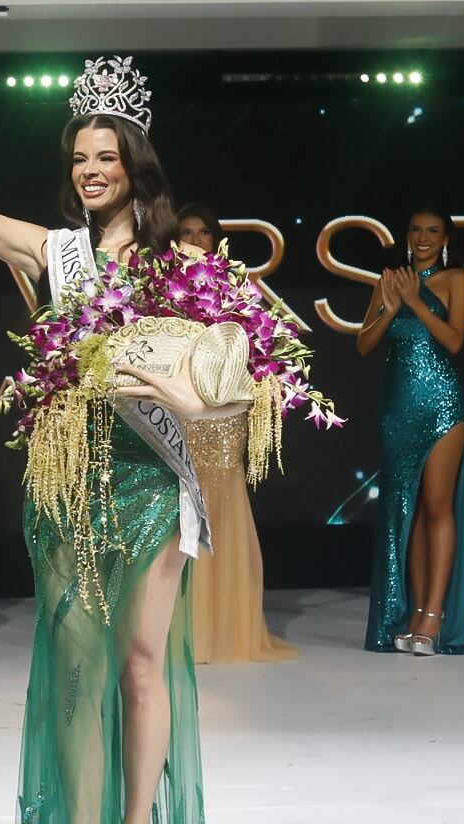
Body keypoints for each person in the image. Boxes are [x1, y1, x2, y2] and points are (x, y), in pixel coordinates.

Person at [0, 17, 319, 824]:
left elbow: (232, 391)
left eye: (105, 155)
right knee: (76, 676)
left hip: (154, 480)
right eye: (78, 156)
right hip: (70, 482)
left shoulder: (182, 268)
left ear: (135, 165)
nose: (89, 169)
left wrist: (173, 389)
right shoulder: (52, 255)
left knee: (143, 667)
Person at [173, 201, 296, 664]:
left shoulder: (237, 289)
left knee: (223, 506)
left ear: (216, 239)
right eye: (186, 231)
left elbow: (261, 348)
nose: (195, 240)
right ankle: (182, 630)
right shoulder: (163, 289)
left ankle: (225, 629)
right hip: (181, 411)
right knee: (181, 511)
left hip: (225, 414)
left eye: (204, 232)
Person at [357, 205, 464, 656]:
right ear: (406, 236)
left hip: (443, 405)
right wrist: (390, 306)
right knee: (406, 513)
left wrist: (414, 303)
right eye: (416, 230)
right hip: (395, 408)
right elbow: (364, 344)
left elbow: (455, 340)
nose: (424, 238)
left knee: (437, 508)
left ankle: (431, 616)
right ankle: (408, 616)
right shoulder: (388, 280)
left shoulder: (455, 280)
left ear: (446, 239)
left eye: (433, 231)